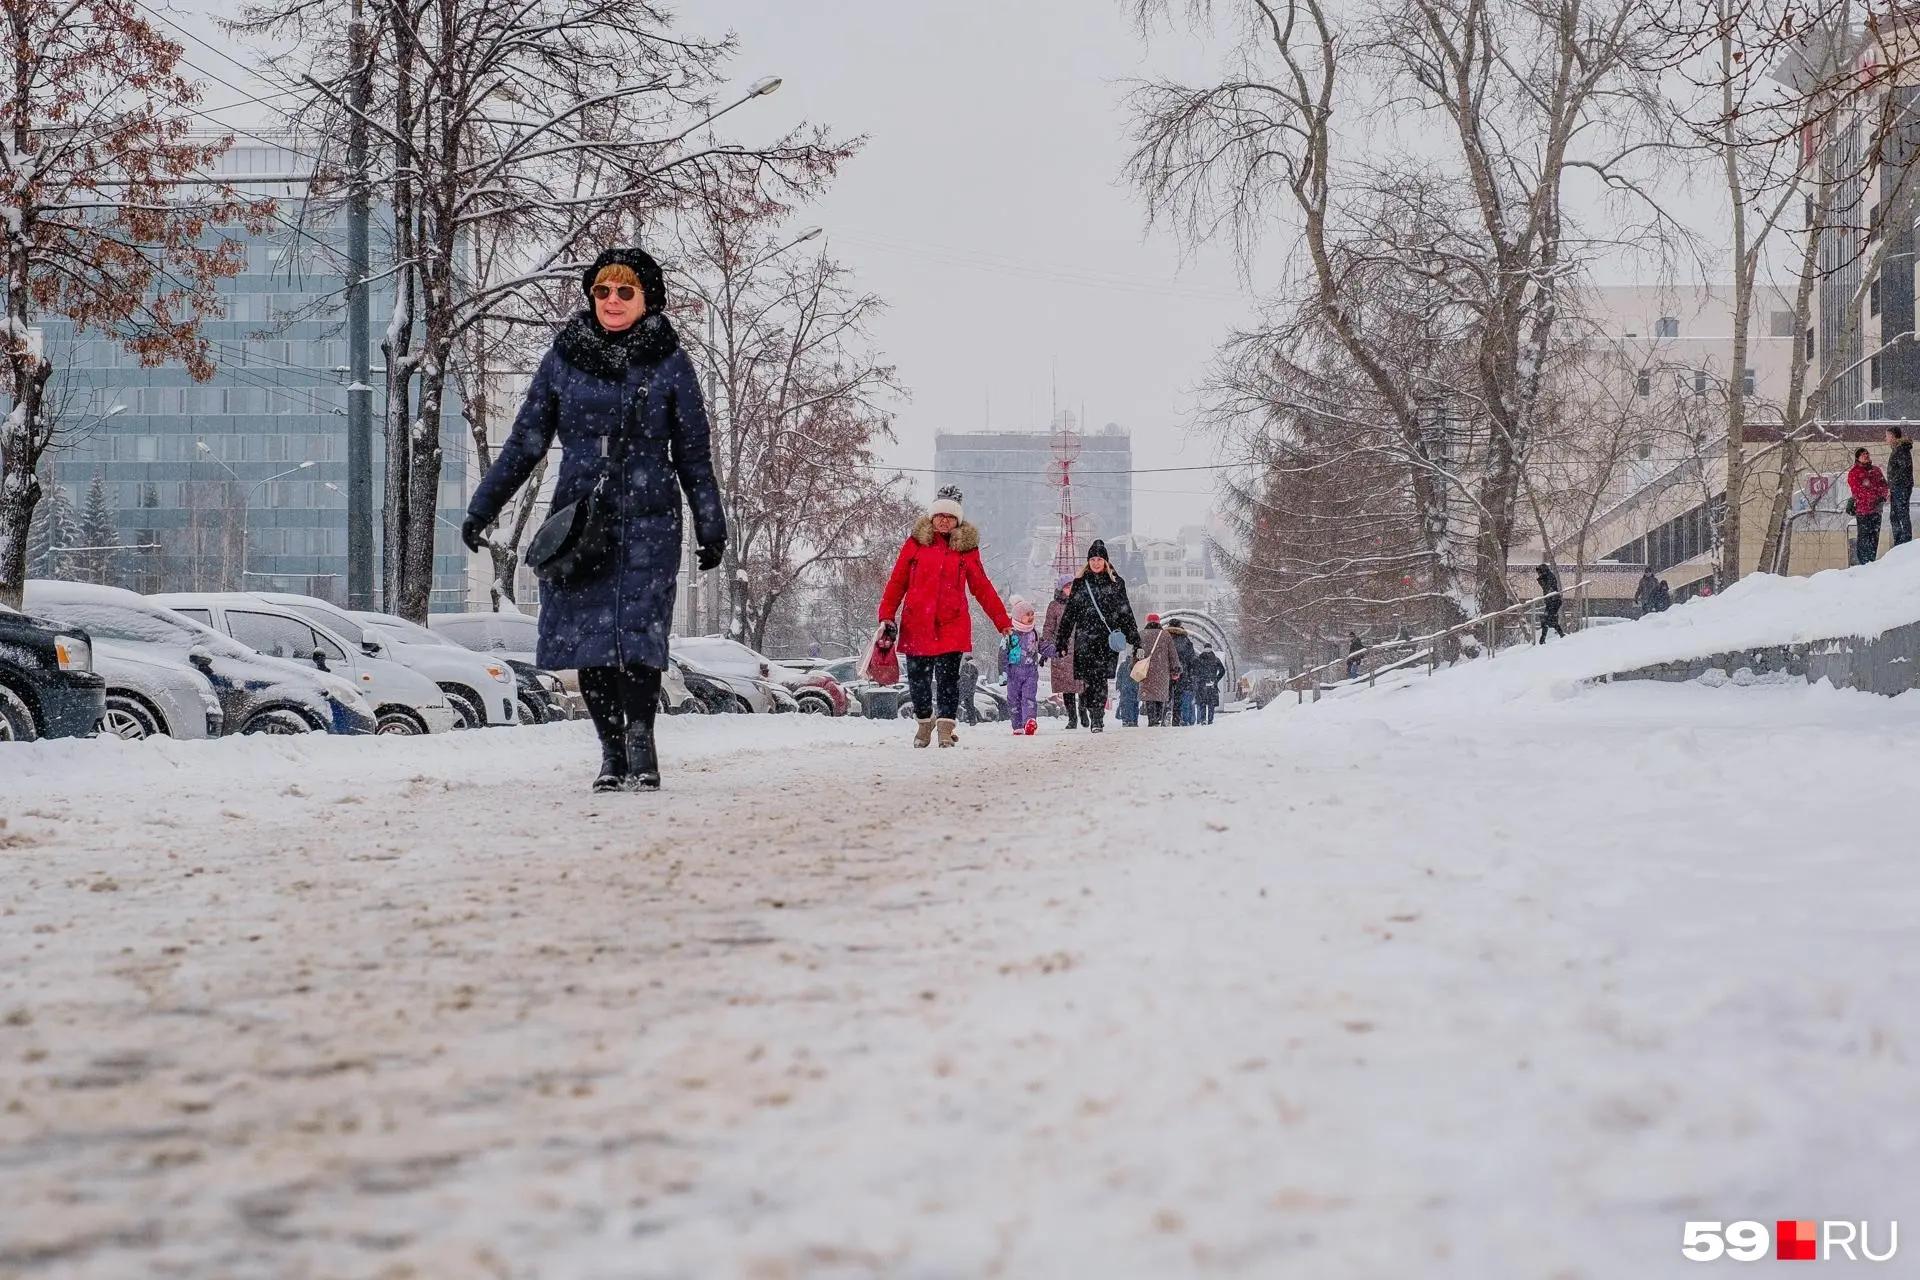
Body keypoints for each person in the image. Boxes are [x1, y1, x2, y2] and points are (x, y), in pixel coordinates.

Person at [463, 246, 725, 794]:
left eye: (624, 291)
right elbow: (525, 441)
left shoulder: (670, 359)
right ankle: (610, 751)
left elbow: (694, 452)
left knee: (640, 637)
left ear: (646, 298)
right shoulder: (563, 358)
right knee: (591, 641)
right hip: (583, 518)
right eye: (602, 291)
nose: (611, 300)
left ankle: (641, 744)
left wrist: (710, 523)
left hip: (650, 517)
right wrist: (483, 507)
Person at [878, 485, 1011, 747]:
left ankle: (945, 730)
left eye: (949, 517)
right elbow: (897, 582)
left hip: (952, 625)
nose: (943, 521)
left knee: (949, 680)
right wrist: (887, 615)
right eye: (939, 515)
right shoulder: (915, 544)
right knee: (918, 681)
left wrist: (1002, 621)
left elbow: (981, 587)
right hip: (918, 623)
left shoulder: (966, 550)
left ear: (957, 521)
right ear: (932, 517)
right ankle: (924, 723)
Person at [1050, 540, 1141, 733]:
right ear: (1088, 561)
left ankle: (1097, 717)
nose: (1096, 562)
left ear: (1106, 561)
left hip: (1106, 641)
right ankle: (1094, 714)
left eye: (1099, 559)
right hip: (1085, 638)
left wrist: (1135, 639)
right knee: (1090, 680)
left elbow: (1125, 612)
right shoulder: (1081, 583)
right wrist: (1062, 640)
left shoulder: (1116, 583)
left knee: (1099, 679)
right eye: (1092, 559)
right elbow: (1070, 614)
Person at [1043, 575, 1085, 729]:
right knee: (1067, 687)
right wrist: (1045, 647)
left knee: (1083, 684)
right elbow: (1048, 628)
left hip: (1081, 649)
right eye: (1067, 587)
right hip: (1063, 650)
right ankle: (1072, 718)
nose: (1070, 589)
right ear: (1061, 589)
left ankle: (1083, 710)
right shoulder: (1054, 606)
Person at [1001, 596, 1043, 734]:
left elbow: (1042, 646)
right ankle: (1017, 725)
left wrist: (1056, 651)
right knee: (1013, 699)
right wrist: (1003, 673)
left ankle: (1030, 721)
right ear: (1019, 617)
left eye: (1032, 614)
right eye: (1027, 615)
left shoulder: (1034, 633)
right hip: (1013, 673)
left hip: (1030, 672)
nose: (1031, 617)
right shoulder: (1009, 634)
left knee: (1029, 696)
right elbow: (1002, 654)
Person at [1134, 612, 1181, 726]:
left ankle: (1152, 719)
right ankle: (1159, 718)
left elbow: (1135, 654)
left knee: (1149, 696)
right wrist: (1175, 669)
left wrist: (1134, 666)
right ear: (1158, 622)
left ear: (1147, 622)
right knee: (1160, 695)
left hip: (1146, 670)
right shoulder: (1165, 635)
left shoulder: (1141, 635)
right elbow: (1172, 654)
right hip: (1162, 671)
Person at [1847, 446, 1890, 566]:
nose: (1865, 456)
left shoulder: (1876, 470)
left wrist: (1881, 496)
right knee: (1864, 537)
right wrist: (1873, 498)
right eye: (1862, 454)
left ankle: (1871, 561)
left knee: (1874, 537)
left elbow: (1884, 485)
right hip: (1863, 510)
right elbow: (1858, 491)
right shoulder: (1854, 473)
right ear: (1857, 458)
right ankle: (1863, 563)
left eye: (1867, 453)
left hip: (1876, 510)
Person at [1166, 619, 1199, 725]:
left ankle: (1166, 712)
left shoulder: (1164, 638)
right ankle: (1176, 718)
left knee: (1166, 694)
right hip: (1182, 672)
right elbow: (1192, 659)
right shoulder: (1186, 640)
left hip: (1166, 671)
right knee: (1178, 696)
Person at [1886, 427, 1913, 547]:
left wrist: (1894, 483)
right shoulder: (1897, 449)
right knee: (1895, 515)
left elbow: (1903, 469)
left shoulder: (1900, 450)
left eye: (1887, 435)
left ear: (1893, 436)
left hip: (1901, 487)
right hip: (1898, 487)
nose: (1885, 438)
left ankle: (1904, 541)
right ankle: (1900, 541)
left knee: (1900, 513)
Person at [1191, 647, 1225, 724]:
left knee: (1202, 703)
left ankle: (1203, 719)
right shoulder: (1216, 659)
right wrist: (1216, 679)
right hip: (1212, 684)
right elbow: (1222, 670)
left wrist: (1198, 679)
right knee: (1211, 704)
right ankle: (1210, 719)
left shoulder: (1199, 659)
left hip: (1202, 684)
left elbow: (1194, 671)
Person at [1115, 637, 1142, 727]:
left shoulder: (1123, 665)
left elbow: (1119, 676)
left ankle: (1126, 720)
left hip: (1125, 688)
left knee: (1126, 705)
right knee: (1135, 704)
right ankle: (1134, 720)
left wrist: (1118, 686)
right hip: (1135, 687)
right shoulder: (1136, 664)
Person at [1535, 562, 1565, 642]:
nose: (1539, 575)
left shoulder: (1549, 577)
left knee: (1548, 619)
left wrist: (1540, 580)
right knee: (1547, 620)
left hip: (1554, 602)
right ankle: (1559, 635)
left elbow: (1547, 588)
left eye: (1540, 573)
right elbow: (1545, 588)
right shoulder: (1546, 577)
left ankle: (1544, 638)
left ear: (1543, 571)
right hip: (1550, 602)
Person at [958, 653, 981, 727]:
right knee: (970, 705)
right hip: (971, 689)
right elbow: (973, 679)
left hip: (964, 689)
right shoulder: (975, 667)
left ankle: (954, 719)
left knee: (957, 704)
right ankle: (972, 721)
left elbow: (963, 677)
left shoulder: (967, 666)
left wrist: (960, 685)